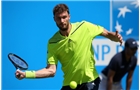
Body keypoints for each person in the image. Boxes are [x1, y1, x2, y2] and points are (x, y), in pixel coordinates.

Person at [15, 3, 123, 90]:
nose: (62, 21)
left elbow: (108, 34)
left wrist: (116, 37)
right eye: (59, 18)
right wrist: (26, 74)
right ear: (54, 19)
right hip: (69, 85)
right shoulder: (52, 43)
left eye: (64, 17)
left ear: (69, 16)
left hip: (90, 82)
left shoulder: (84, 27)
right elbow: (51, 71)